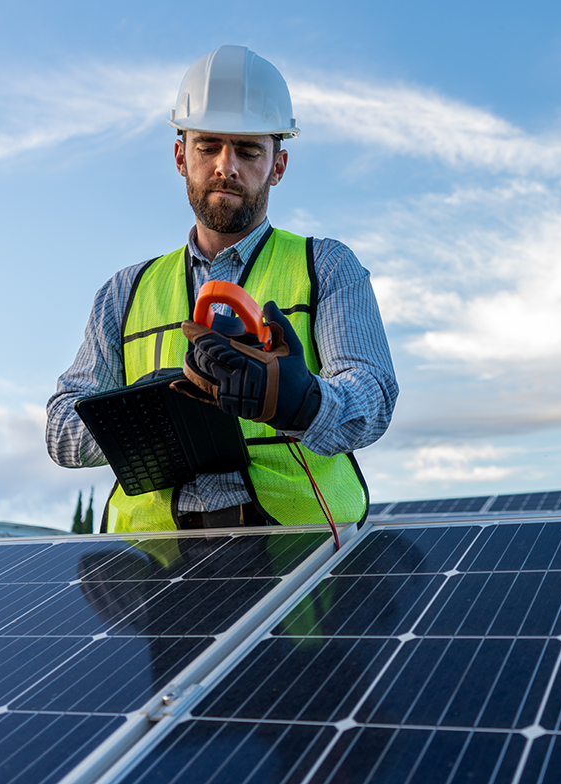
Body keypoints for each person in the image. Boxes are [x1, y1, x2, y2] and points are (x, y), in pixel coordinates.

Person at [46, 45, 397, 534]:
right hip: (151, 572)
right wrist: (156, 411)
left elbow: (373, 400)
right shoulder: (122, 293)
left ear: (278, 165)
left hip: (297, 555)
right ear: (179, 156)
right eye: (207, 146)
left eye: (249, 150)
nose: (225, 166)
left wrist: (298, 400)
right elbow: (60, 430)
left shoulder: (328, 267)